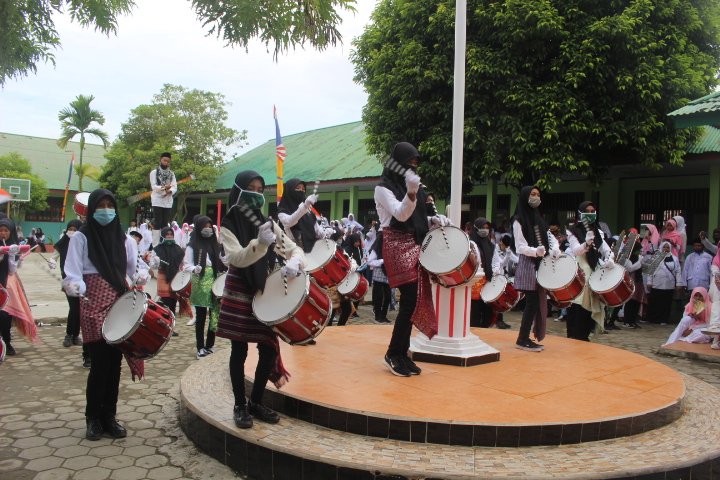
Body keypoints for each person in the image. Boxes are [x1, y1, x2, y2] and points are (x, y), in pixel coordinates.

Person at [215, 170, 305, 429]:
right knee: (239, 349)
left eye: (259, 189)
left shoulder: (267, 222)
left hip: (264, 289)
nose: (256, 194)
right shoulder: (228, 223)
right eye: (250, 188)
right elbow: (236, 257)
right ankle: (239, 405)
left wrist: (296, 260)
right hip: (240, 287)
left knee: (268, 347)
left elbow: (292, 247)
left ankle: (255, 401)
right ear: (238, 190)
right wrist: (260, 244)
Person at [62, 189, 149, 441]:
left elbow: (133, 270)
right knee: (100, 364)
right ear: (91, 209)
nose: (106, 210)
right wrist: (75, 285)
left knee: (114, 364)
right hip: (92, 303)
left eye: (110, 205)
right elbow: (72, 272)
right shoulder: (81, 238)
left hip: (119, 303)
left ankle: (109, 416)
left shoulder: (125, 240)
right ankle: (93, 418)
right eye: (101, 206)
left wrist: (140, 276)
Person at [374, 141, 445, 376]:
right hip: (396, 244)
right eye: (409, 163)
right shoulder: (383, 188)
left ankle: (402, 354)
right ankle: (393, 353)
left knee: (413, 301)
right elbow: (401, 214)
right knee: (409, 299)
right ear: (398, 163)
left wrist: (434, 220)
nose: (413, 167)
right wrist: (411, 193)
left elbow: (418, 217)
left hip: (416, 242)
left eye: (416, 163)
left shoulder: (417, 188)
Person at [512, 186, 555, 351]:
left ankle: (524, 338)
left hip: (540, 263)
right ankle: (522, 339)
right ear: (525, 197)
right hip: (528, 263)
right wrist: (535, 251)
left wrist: (554, 249)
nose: (536, 197)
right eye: (533, 194)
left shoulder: (538, 218)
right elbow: (519, 246)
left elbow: (548, 237)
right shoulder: (518, 219)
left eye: (538, 194)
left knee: (536, 302)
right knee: (532, 302)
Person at [565, 201, 614, 341]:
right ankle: (574, 335)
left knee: (591, 305)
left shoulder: (598, 231)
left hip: (594, 269)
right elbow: (576, 250)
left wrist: (610, 257)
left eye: (593, 211)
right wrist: (586, 244)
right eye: (587, 211)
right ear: (580, 213)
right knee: (578, 304)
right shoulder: (573, 230)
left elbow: (605, 249)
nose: (591, 214)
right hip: (580, 269)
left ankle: (584, 335)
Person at [183, 216, 226, 358]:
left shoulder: (215, 244)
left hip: (214, 279)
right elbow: (186, 264)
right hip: (200, 279)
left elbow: (222, 260)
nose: (208, 229)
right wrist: (194, 268)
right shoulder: (192, 245)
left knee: (214, 314)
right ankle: (200, 347)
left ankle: (210, 345)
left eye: (209, 226)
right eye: (204, 227)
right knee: (201, 316)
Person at [51, 219, 91, 366]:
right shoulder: (63, 243)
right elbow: (54, 256)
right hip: (68, 281)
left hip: (84, 282)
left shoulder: (83, 242)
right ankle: (69, 335)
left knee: (80, 310)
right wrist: (52, 261)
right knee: (74, 308)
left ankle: (75, 335)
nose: (72, 231)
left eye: (75, 229)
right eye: (70, 228)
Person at [0, 218, 37, 356]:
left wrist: (11, 255)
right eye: (1, 230)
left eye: (6, 230)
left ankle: (6, 342)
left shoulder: (12, 246)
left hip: (5, 285)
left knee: (5, 316)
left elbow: (11, 270)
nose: (3, 233)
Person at [150, 226, 187, 325]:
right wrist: (157, 263)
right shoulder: (157, 249)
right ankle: (166, 324)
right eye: (167, 234)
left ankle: (172, 324)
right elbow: (152, 264)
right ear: (163, 235)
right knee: (165, 302)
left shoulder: (178, 249)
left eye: (171, 234)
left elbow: (183, 263)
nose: (169, 236)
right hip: (163, 277)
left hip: (175, 278)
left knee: (173, 302)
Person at [469, 217, 498, 328]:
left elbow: (496, 262)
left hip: (488, 284)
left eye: (487, 228)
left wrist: (495, 270)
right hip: (474, 285)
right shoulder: (470, 244)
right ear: (476, 228)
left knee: (487, 315)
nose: (485, 230)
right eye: (482, 227)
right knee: (474, 315)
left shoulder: (491, 245)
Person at [646, 241, 681, 325]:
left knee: (666, 303)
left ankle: (663, 319)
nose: (666, 249)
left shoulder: (675, 259)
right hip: (657, 283)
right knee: (655, 302)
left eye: (668, 247)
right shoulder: (655, 257)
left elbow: (678, 271)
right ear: (661, 248)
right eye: (664, 247)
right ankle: (653, 319)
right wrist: (649, 282)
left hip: (669, 284)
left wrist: (679, 284)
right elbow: (650, 270)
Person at [149, 152, 177, 246]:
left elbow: (174, 187)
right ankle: (155, 245)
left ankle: (165, 243)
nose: (166, 162)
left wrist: (170, 191)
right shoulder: (154, 172)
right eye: (164, 160)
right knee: (158, 222)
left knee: (165, 223)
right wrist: (164, 188)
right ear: (160, 160)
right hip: (157, 200)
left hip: (168, 201)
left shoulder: (172, 174)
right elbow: (154, 186)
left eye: (168, 161)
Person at [367, 231, 392, 324]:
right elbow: (370, 262)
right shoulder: (376, 249)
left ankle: (384, 315)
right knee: (379, 296)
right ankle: (378, 316)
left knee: (388, 297)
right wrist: (382, 261)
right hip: (378, 274)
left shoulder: (390, 248)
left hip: (388, 274)